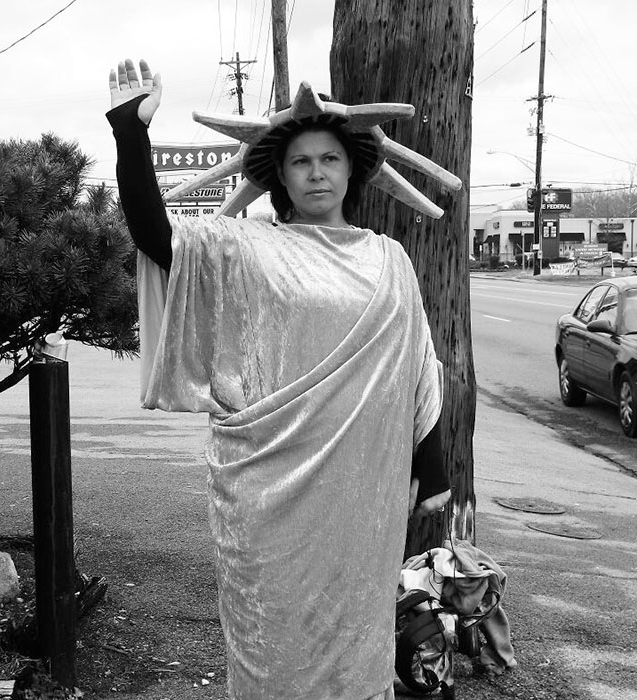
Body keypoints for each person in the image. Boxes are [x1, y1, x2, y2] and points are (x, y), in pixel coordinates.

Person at [107, 58, 452, 700]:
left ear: (352, 169)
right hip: (267, 490)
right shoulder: (248, 248)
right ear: (281, 176)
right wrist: (131, 132)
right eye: (301, 162)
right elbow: (157, 236)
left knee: (357, 638)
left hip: (362, 494)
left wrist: (431, 470)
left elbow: (418, 367)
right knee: (272, 645)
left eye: (329, 159)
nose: (317, 172)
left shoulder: (391, 258)